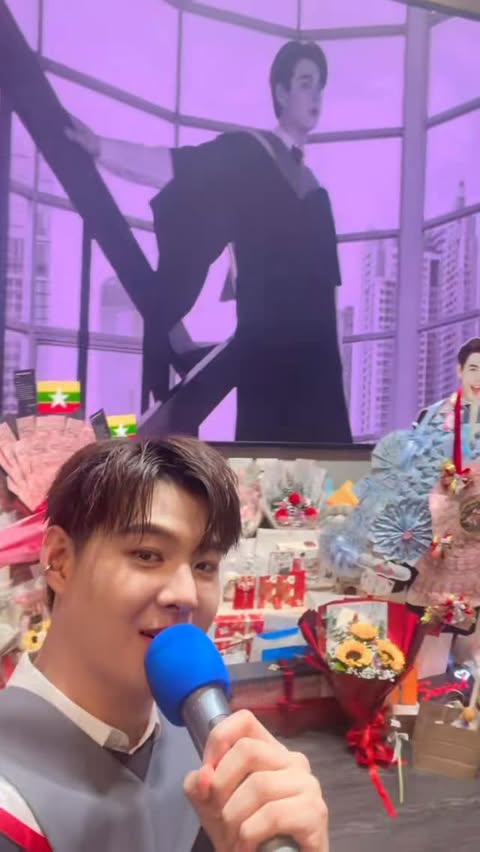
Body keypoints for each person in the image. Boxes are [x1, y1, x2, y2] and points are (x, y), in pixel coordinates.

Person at [0, 437, 328, 851]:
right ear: (61, 561)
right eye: (148, 555)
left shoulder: (208, 759)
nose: (186, 594)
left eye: (204, 565)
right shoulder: (11, 800)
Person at [66, 41, 352, 445]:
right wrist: (102, 149)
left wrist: (335, 367)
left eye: (320, 86)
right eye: (306, 83)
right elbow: (180, 167)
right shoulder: (249, 153)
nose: (315, 96)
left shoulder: (316, 191)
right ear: (281, 91)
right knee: (268, 456)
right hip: (268, 349)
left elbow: (328, 292)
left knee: (325, 461)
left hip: (318, 360)